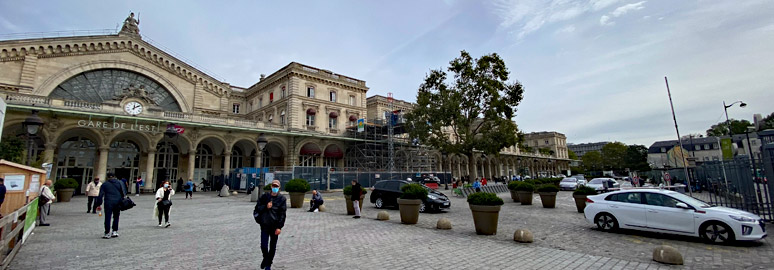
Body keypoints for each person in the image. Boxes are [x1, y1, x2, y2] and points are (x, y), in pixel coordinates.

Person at [254, 180, 287, 270]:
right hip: (265, 224)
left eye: (276, 186)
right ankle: (266, 258)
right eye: (273, 186)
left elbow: (282, 214)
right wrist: (265, 206)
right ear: (271, 186)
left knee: (272, 246)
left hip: (275, 225)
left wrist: (279, 227)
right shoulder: (265, 197)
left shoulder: (282, 199)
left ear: (279, 187)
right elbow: (257, 208)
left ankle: (268, 264)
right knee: (264, 245)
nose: (275, 188)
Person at [97, 173, 126, 239]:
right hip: (118, 202)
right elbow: (124, 192)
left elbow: (100, 195)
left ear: (107, 177)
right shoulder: (120, 183)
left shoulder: (104, 184)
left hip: (108, 202)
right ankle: (114, 231)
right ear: (114, 176)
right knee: (116, 217)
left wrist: (98, 204)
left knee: (107, 217)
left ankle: (107, 233)